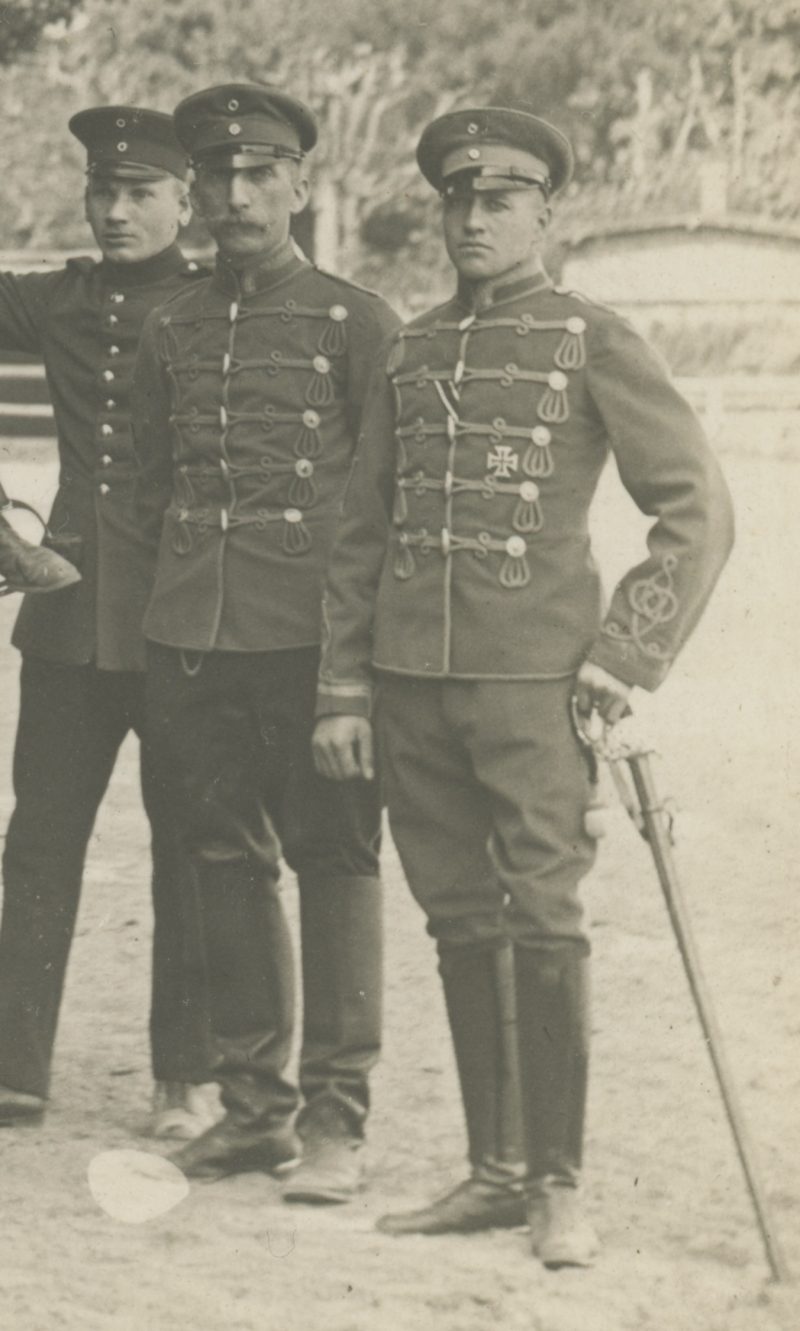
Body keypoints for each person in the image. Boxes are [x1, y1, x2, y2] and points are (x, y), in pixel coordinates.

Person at [312, 106, 735, 1266]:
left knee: (543, 918)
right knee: (457, 919)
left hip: (534, 689)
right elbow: (359, 533)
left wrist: (619, 654)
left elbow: (694, 511)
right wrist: (342, 687)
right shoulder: (407, 351)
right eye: (456, 199)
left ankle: (555, 1181)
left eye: (497, 200)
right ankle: (492, 1171)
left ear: (547, 211)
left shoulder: (588, 338)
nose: (471, 219)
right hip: (407, 688)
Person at [131, 83, 399, 1193]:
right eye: (217, 178)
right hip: (195, 633)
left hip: (310, 641)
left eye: (257, 176)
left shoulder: (354, 320)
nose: (234, 197)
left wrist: (350, 680)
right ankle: (252, 1106)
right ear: (194, 188)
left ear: (298, 182)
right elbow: (155, 488)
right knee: (219, 860)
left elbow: (379, 508)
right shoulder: (171, 324)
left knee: (333, 859)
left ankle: (335, 1117)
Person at [0, 105, 216, 1139]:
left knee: (188, 840)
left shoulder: (223, 302)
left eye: (139, 194)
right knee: (38, 839)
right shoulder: (61, 300)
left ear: (185, 201)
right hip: (70, 617)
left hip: (186, 619)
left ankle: (184, 1073)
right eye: (103, 192)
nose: (118, 211)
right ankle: (14, 1069)